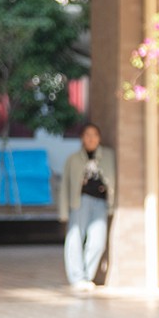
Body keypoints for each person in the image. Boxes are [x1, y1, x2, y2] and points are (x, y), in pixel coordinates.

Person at [59, 123, 116, 291]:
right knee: (75, 238)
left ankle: (87, 276)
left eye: (94, 135)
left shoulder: (108, 156)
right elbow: (65, 187)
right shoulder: (73, 159)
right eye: (87, 135)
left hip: (101, 203)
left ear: (99, 138)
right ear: (82, 138)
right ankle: (77, 277)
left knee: (98, 241)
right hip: (80, 202)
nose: (91, 138)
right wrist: (64, 211)